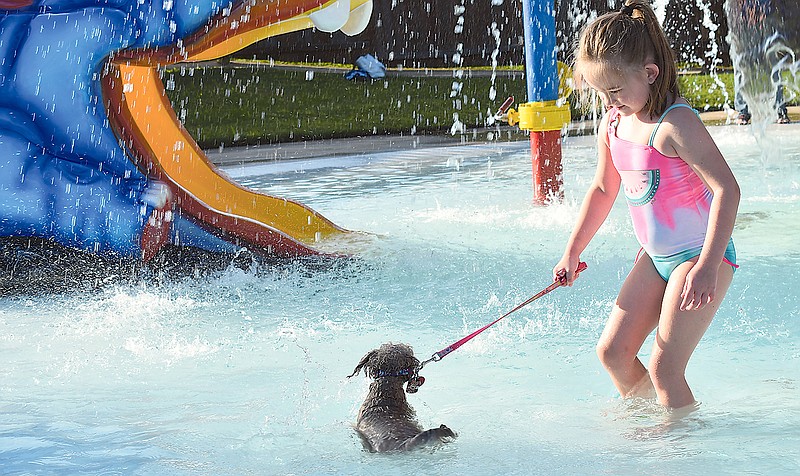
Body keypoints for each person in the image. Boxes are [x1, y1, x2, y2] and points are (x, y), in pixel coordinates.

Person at [554, 0, 741, 410]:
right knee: (613, 354)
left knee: (664, 368)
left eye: (615, 91)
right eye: (600, 93)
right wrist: (572, 251)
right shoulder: (615, 124)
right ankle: (651, 422)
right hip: (656, 258)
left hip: (700, 258)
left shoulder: (676, 124)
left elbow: (728, 189)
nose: (607, 102)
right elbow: (604, 189)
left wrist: (708, 266)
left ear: (650, 73)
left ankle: (680, 450)